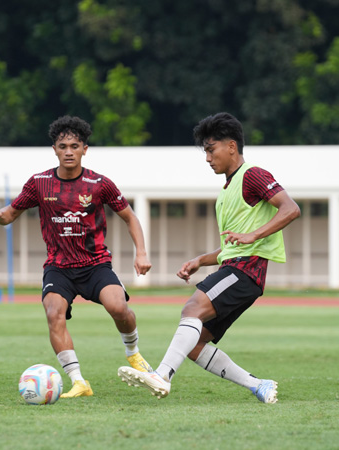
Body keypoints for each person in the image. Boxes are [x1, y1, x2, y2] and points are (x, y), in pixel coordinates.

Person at [118, 112, 300, 403]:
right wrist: (200, 261)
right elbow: (231, 245)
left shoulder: (252, 175)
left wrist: (254, 235)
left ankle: (162, 375)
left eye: (210, 149)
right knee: (195, 343)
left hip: (246, 270)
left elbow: (291, 209)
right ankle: (258, 385)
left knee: (192, 308)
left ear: (231, 146)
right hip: (239, 270)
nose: (207, 158)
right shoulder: (228, 191)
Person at [0, 115, 153, 398]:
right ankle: (78, 381)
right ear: (54, 149)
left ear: (85, 149)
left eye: (75, 145)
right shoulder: (39, 183)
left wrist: (142, 253)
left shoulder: (100, 184)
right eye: (63, 146)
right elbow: (10, 214)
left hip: (96, 263)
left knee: (118, 309)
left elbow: (129, 217)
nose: (69, 151)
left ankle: (133, 353)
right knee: (53, 313)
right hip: (58, 268)